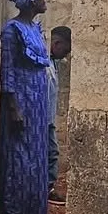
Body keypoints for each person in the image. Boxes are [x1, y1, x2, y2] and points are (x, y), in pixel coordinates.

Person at [0, 0, 54, 214]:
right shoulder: (12, 30)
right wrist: (13, 107)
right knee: (19, 161)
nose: (44, 0)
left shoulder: (36, 28)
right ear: (31, 2)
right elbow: (7, 69)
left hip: (38, 104)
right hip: (21, 103)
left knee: (37, 160)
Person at [47, 25, 71, 200]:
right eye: (65, 50)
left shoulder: (52, 63)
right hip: (42, 117)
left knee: (52, 152)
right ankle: (46, 188)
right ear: (56, 43)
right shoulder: (44, 62)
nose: (65, 55)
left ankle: (48, 187)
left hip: (48, 117)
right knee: (51, 152)